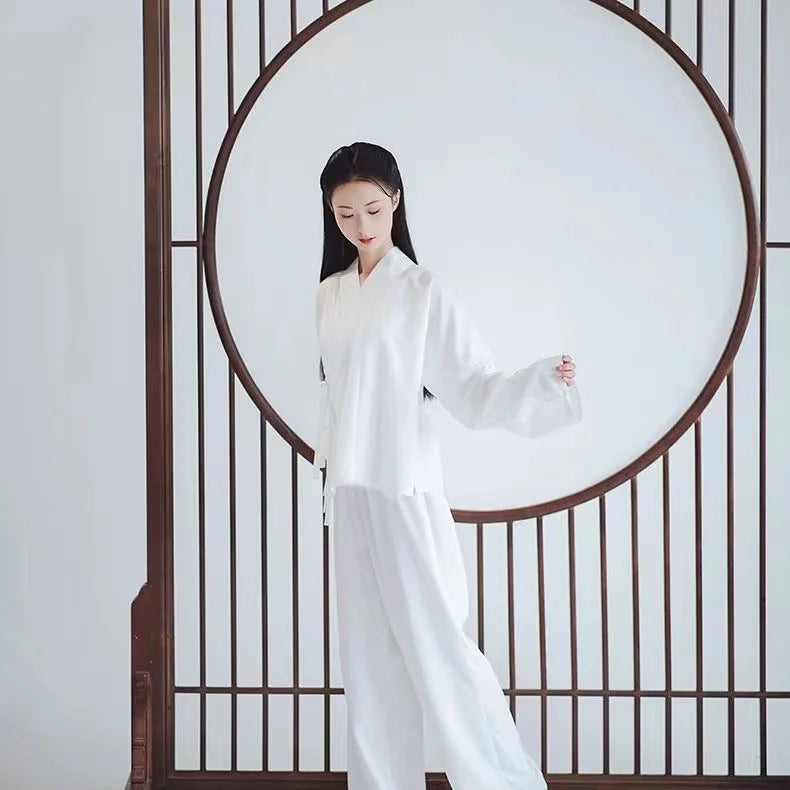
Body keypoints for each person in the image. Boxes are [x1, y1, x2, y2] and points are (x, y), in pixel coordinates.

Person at [313, 142, 581, 790]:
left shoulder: (420, 291)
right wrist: (329, 472)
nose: (362, 225)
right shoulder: (330, 294)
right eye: (345, 214)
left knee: (442, 654)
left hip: (405, 487)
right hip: (351, 492)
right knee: (370, 667)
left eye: (373, 208)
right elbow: (331, 396)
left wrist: (542, 381)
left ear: (396, 201)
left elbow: (473, 384)